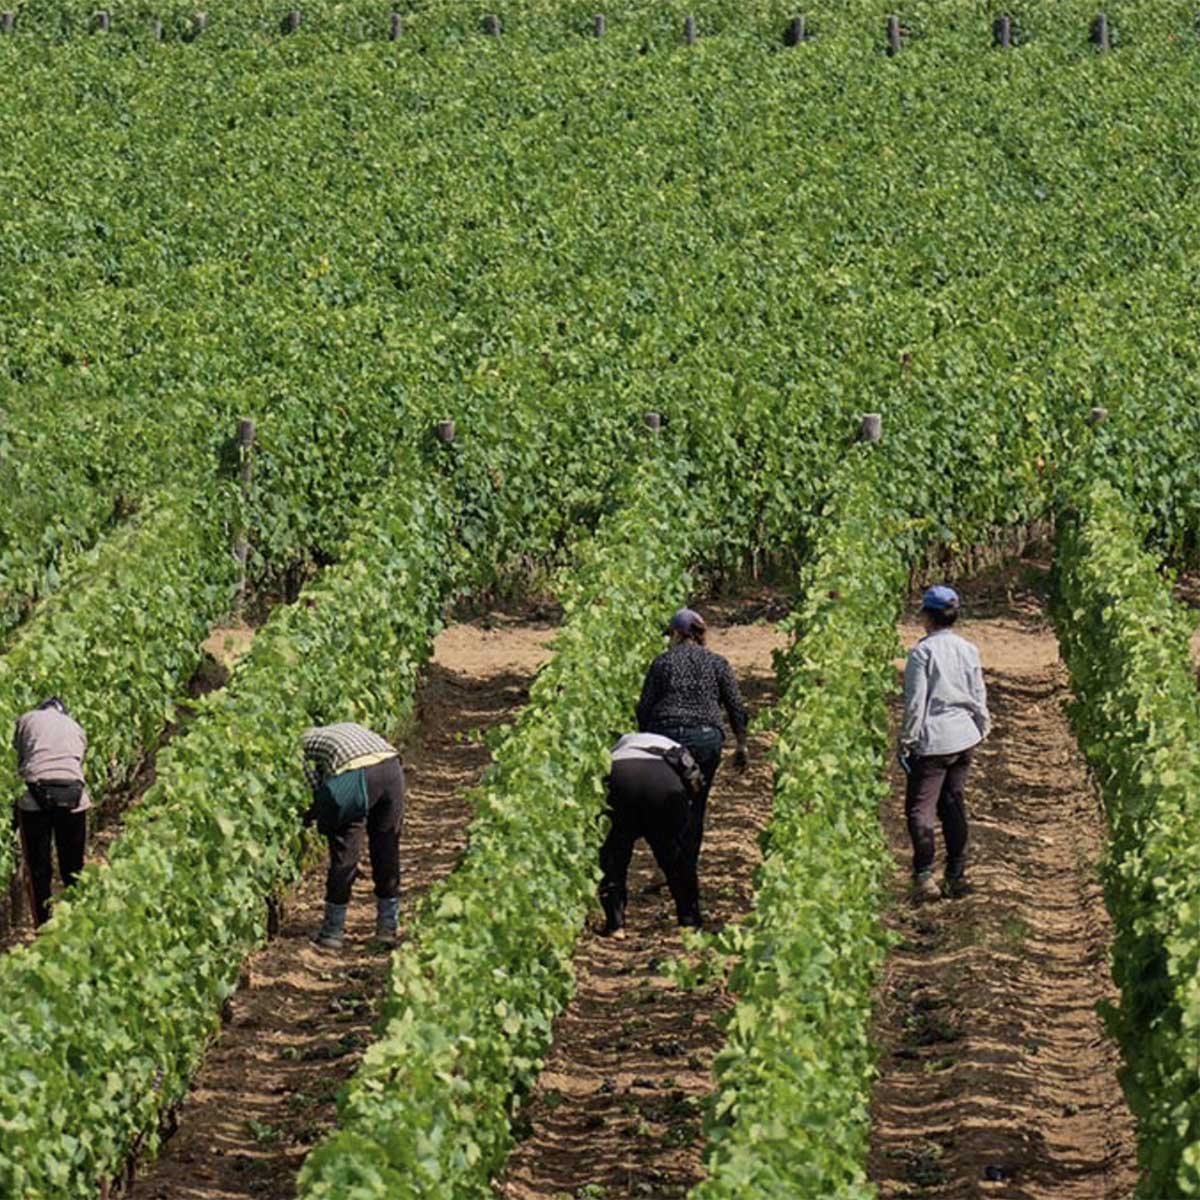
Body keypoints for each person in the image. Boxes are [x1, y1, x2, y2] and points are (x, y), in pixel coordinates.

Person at [636, 607, 748, 889]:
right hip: (705, 742)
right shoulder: (718, 663)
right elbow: (735, 707)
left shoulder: (662, 663)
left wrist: (645, 743)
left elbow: (644, 708)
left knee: (663, 806)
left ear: (676, 634)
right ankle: (685, 872)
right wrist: (741, 744)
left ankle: (665, 868)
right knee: (695, 804)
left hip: (666, 742)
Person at [899, 585, 991, 902]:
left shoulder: (922, 653)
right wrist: (980, 729)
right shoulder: (968, 649)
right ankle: (956, 874)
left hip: (934, 741)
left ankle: (924, 877)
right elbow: (978, 695)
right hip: (964, 737)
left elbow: (915, 704)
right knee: (953, 804)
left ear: (927, 616)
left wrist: (908, 741)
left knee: (919, 811)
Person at [301, 722, 405, 949]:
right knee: (386, 847)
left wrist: (309, 818)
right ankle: (387, 928)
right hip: (392, 768)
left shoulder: (299, 747)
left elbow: (317, 793)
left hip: (358, 775)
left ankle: (332, 932)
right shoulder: (343, 729)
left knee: (345, 850)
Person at [599, 732, 703, 937]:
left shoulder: (618, 748)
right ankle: (689, 920)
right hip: (663, 786)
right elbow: (695, 779)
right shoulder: (674, 747)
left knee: (614, 855)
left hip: (621, 780)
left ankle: (615, 924)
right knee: (673, 857)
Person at [12, 697, 91, 927]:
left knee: (38, 866)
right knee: (73, 867)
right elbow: (76, 764)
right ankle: (77, 921)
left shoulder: (26, 719)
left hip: (36, 794)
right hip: (73, 794)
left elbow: (22, 757)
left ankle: (43, 926)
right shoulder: (76, 727)